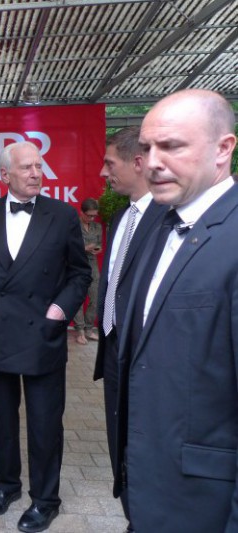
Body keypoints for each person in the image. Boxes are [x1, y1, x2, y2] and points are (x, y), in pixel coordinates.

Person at [115, 89, 238, 532]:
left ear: (223, 149)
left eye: (172, 146)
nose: (152, 161)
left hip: (205, 506)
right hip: (149, 494)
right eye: (147, 148)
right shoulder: (159, 226)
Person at [0, 141, 91, 533]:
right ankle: (6, 486)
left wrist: (59, 312)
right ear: (5, 175)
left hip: (43, 335)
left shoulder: (63, 215)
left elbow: (79, 274)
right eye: (27, 167)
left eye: (39, 166)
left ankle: (45, 499)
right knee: (3, 419)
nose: (37, 173)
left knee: (44, 422)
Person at [93, 125, 167, 532]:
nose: (104, 173)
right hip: (114, 351)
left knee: (145, 445)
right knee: (118, 441)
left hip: (146, 359)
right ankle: (131, 514)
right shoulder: (121, 216)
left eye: (110, 163)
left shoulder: (166, 218)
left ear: (138, 162)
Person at [72, 198, 102, 345]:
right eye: (89, 215)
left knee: (96, 297)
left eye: (94, 216)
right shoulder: (73, 226)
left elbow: (99, 244)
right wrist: (85, 248)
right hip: (75, 264)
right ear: (81, 212)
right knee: (78, 298)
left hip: (92, 264)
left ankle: (89, 329)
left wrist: (97, 248)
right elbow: (67, 247)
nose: (91, 218)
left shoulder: (97, 227)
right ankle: (80, 331)